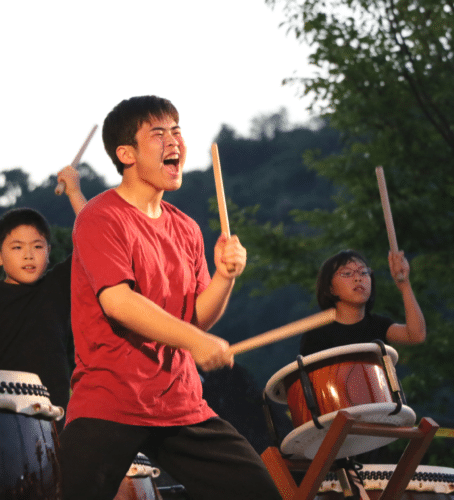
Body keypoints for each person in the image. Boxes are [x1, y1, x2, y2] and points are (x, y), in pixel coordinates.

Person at [59, 95, 282, 500]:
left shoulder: (187, 229)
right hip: (111, 398)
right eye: (158, 133)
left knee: (259, 492)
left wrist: (224, 277)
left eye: (176, 131)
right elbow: (119, 303)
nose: (173, 140)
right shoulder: (100, 217)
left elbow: (195, 318)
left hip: (180, 401)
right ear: (126, 153)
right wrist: (195, 343)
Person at [0, 166, 86, 432]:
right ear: (0, 256)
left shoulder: (57, 286)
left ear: (49, 253)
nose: (28, 255)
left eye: (37, 247)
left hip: (54, 424)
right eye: (17, 248)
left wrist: (74, 192)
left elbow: (97, 239)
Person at [300, 249, 426, 356]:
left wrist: (404, 284)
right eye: (347, 273)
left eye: (363, 272)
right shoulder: (316, 335)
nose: (358, 278)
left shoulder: (378, 326)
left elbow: (416, 335)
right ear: (330, 288)